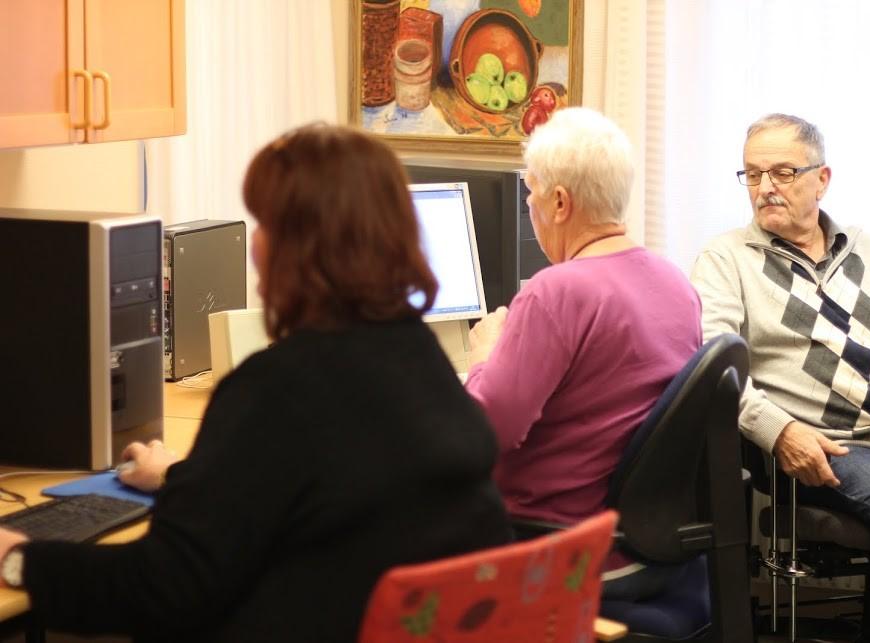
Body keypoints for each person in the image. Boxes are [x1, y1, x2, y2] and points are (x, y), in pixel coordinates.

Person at [0, 123, 511, 642]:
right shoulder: (417, 358)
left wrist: (20, 560)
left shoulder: (275, 390)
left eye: (265, 225)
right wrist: (186, 479)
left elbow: (164, 586)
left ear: (299, 250)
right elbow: (314, 493)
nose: (256, 246)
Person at [690, 112, 870, 643]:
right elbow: (715, 368)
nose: (765, 187)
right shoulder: (726, 259)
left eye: (783, 172)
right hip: (831, 448)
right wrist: (779, 431)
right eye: (753, 174)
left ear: (823, 178)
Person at [464, 107, 703, 598]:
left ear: (558, 201)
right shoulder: (676, 283)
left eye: (530, 192)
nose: (529, 208)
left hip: (558, 546)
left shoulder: (556, 291)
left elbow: (487, 432)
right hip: (650, 544)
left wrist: (484, 355)